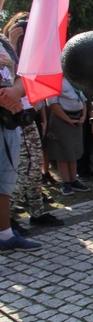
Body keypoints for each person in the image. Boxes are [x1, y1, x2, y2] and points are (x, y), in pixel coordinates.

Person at [0, 18, 43, 252]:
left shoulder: (3, 43)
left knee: (6, 177)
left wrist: (15, 93)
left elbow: (22, 75)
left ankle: (5, 234)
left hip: (10, 119)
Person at [44, 77, 90, 196]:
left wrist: (84, 116)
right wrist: (67, 119)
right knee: (63, 151)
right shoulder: (53, 80)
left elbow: (83, 100)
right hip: (62, 119)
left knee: (73, 151)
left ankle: (74, 180)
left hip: (77, 118)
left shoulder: (73, 79)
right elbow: (52, 104)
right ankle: (66, 183)